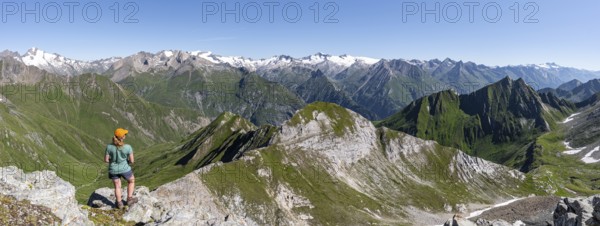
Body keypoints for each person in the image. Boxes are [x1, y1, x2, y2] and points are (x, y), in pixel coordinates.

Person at [104, 128, 138, 209]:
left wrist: (113, 161)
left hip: (113, 170)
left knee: (117, 186)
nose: (125, 135)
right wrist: (126, 161)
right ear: (122, 137)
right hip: (125, 169)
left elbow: (106, 160)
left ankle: (119, 203)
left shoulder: (109, 147)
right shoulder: (128, 147)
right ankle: (129, 199)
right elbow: (132, 161)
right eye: (124, 134)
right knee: (131, 181)